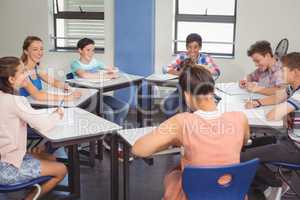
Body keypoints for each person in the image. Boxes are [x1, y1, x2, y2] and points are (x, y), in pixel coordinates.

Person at [133, 65, 249, 200]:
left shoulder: (181, 122)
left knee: (173, 174)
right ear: (213, 90)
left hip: (193, 196)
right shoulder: (240, 118)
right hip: (232, 195)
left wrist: (173, 140)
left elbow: (139, 150)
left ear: (186, 95)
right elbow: (244, 141)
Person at [0, 56, 67, 200]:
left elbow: (29, 115)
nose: (28, 73)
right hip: (7, 169)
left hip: (6, 156)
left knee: (50, 157)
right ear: (11, 79)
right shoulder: (15, 100)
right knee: (61, 169)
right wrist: (58, 115)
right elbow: (43, 124)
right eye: (23, 71)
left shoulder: (5, 97)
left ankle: (31, 184)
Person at [242, 52, 300, 197]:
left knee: (242, 158)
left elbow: (273, 115)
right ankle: (270, 182)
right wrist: (257, 102)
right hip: (288, 139)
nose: (280, 73)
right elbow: (278, 96)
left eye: (284, 70)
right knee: (247, 146)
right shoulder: (293, 88)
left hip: (296, 148)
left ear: (295, 72)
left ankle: (276, 184)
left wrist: (284, 112)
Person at [71, 38, 129, 125]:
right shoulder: (76, 64)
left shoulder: (95, 62)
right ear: (80, 50)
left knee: (124, 107)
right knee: (108, 112)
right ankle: (109, 134)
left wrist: (113, 70)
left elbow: (110, 69)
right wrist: (107, 75)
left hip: (98, 96)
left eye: (93, 50)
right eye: (88, 50)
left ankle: (114, 131)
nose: (91, 53)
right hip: (86, 98)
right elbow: (84, 75)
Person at [162, 33, 220, 118]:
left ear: (200, 47)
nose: (192, 50)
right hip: (183, 90)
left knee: (192, 110)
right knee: (168, 103)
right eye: (189, 47)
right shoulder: (182, 56)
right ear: (186, 47)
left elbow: (217, 72)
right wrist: (180, 73)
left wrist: (201, 68)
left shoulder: (206, 58)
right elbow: (165, 69)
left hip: (200, 91)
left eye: (195, 47)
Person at [19, 36, 81, 101]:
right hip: (24, 107)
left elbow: (54, 82)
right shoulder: (21, 71)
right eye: (35, 49)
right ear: (26, 51)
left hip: (34, 104)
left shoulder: (36, 69)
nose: (40, 53)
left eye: (41, 49)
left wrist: (69, 88)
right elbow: (38, 95)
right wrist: (67, 98)